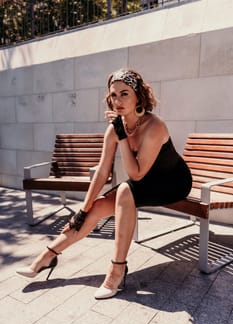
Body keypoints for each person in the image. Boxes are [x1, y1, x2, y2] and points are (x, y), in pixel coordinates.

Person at [16, 68, 192, 299]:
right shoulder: (115, 128)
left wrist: (122, 137)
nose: (117, 101)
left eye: (125, 94)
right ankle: (46, 257)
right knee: (97, 207)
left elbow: (136, 175)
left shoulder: (154, 126)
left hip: (173, 183)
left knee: (127, 190)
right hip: (145, 181)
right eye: (113, 95)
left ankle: (117, 270)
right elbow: (101, 172)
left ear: (138, 96)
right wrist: (83, 209)